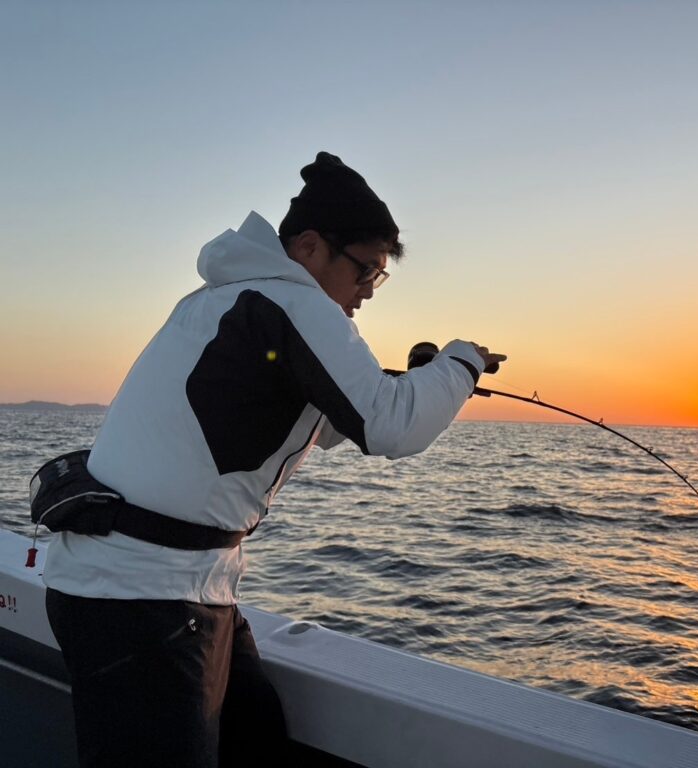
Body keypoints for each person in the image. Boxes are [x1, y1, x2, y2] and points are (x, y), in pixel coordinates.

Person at [41, 151, 505, 767]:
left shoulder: (228, 299)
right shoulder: (288, 302)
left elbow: (307, 419)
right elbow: (389, 425)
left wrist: (421, 381)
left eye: (378, 278)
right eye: (365, 270)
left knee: (254, 733)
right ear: (310, 247)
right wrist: (461, 361)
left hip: (167, 588)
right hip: (141, 599)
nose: (367, 292)